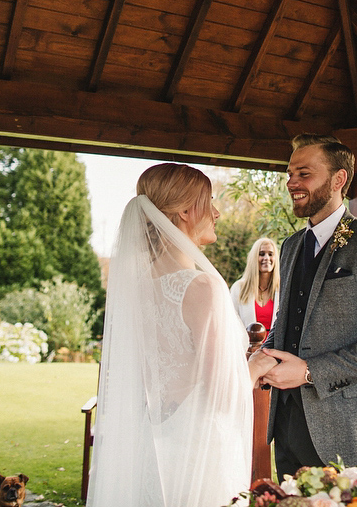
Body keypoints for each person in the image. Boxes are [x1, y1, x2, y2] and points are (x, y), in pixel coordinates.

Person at [86, 163, 276, 507]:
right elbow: (221, 395)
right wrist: (258, 365)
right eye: (210, 202)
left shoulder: (137, 289)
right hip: (196, 454)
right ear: (187, 211)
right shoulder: (202, 287)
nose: (216, 213)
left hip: (150, 446)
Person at [261, 134, 357, 479]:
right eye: (289, 174)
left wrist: (308, 372)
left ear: (338, 180)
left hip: (355, 433)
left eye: (304, 174)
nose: (292, 183)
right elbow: (285, 324)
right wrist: (265, 354)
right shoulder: (289, 247)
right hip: (288, 424)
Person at [230, 237, 281, 333]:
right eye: (261, 254)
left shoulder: (283, 288)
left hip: (274, 347)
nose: (266, 258)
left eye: (270, 254)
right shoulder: (239, 288)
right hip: (246, 347)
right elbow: (231, 324)